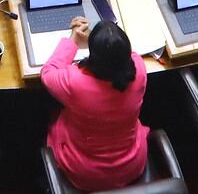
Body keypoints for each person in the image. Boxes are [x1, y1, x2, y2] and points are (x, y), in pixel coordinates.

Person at [42, 17, 149, 190]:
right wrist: (106, 44)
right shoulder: (140, 69)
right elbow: (125, 55)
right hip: (131, 166)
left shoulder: (75, 82)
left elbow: (48, 73)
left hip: (85, 172)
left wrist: (74, 41)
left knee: (52, 114)